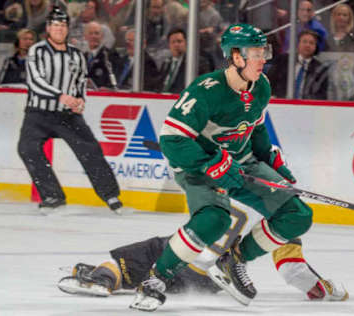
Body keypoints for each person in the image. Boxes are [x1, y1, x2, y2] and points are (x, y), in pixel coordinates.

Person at [130, 23, 316, 312]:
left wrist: (271, 160)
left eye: (264, 51)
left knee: (297, 215)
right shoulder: (206, 91)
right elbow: (171, 140)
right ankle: (155, 280)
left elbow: (255, 130)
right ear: (236, 57)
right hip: (198, 167)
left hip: (241, 164)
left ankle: (234, 260)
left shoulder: (261, 87)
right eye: (256, 52)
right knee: (214, 221)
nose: (263, 58)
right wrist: (208, 164)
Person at [57, 204, 348, 301]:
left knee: (126, 261)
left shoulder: (224, 177)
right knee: (151, 267)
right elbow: (295, 273)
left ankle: (103, 279)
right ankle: (115, 278)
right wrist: (329, 289)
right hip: (206, 281)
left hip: (183, 251)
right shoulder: (283, 216)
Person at [17, 6, 123, 213]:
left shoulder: (76, 55)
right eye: (55, 25)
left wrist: (81, 100)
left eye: (63, 25)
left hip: (68, 115)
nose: (59, 29)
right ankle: (52, 195)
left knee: (90, 149)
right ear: (48, 28)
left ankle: (110, 195)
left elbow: (81, 82)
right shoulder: (36, 51)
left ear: (67, 28)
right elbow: (35, 81)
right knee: (27, 148)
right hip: (38, 113)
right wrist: (60, 95)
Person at [268, 30, 329, 100]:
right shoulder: (283, 60)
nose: (307, 45)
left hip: (306, 106)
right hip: (282, 102)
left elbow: (321, 94)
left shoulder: (320, 69)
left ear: (315, 47)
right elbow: (270, 81)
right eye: (304, 41)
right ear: (298, 44)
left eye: (311, 43)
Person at [157, 27, 213, 93]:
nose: (176, 45)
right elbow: (159, 86)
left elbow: (205, 86)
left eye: (179, 41)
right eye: (173, 42)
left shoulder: (197, 63)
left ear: (186, 43)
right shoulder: (166, 63)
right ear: (169, 45)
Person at [84, 21, 119, 90]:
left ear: (102, 36)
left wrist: (108, 88)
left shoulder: (110, 56)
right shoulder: (82, 57)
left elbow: (115, 81)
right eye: (90, 33)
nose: (94, 36)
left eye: (96, 33)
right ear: (85, 36)